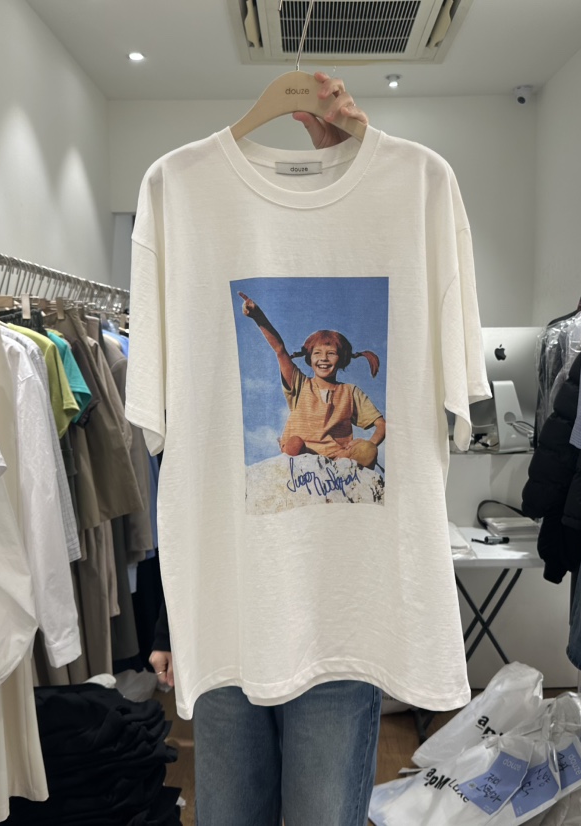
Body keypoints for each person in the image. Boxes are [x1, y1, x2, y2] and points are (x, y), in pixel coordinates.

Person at [148, 74, 380, 826]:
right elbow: (178, 463)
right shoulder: (178, 195)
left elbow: (385, 431)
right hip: (232, 615)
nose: (321, 358)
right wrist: (169, 623)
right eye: (314, 351)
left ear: (340, 354)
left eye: (330, 351)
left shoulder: (414, 193)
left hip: (339, 620)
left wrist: (361, 446)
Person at [238, 291, 386, 469]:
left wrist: (369, 443)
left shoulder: (350, 392)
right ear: (309, 358)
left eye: (331, 353)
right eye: (317, 353)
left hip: (337, 457)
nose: (323, 358)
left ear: (342, 359)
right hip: (301, 451)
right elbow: (279, 349)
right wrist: (258, 316)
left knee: (368, 451)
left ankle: (340, 470)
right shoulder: (300, 384)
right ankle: (295, 466)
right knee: (295, 443)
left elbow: (382, 424)